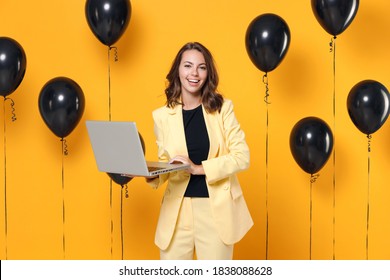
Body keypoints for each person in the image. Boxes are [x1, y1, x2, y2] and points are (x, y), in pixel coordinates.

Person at [146, 42, 253, 260]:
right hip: (176, 212)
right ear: (178, 70)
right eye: (187, 66)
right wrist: (148, 174)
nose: (194, 73)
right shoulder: (162, 116)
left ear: (208, 73)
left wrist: (197, 169)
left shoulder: (223, 108)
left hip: (216, 211)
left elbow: (242, 157)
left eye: (201, 67)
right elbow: (167, 162)